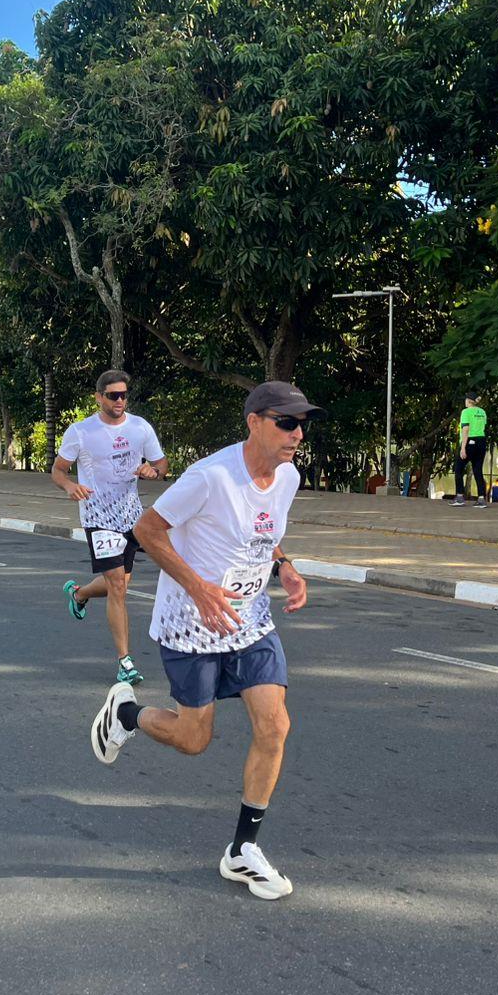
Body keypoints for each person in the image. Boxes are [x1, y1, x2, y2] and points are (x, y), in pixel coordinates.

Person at [90, 380, 321, 901]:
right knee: (194, 740)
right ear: (255, 422)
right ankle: (126, 714)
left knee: (275, 724)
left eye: (301, 423)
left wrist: (286, 567)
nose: (297, 433)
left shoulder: (287, 476)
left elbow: (264, 533)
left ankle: (242, 850)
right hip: (189, 623)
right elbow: (147, 531)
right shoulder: (211, 476)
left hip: (251, 619)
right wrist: (197, 588)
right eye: (286, 422)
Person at [52, 369, 168, 685]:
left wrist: (152, 472)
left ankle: (78, 594)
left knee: (120, 584)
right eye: (113, 395)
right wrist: (69, 487)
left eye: (124, 395)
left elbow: (161, 463)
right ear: (99, 397)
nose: (120, 400)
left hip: (131, 516)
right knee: (117, 584)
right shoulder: (80, 432)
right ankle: (125, 662)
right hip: (97, 516)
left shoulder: (140, 427)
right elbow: (58, 470)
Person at [453, 393, 489, 507]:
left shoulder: (466, 412)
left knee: (458, 469)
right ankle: (481, 499)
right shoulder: (482, 412)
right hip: (481, 442)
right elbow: (483, 426)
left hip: (469, 442)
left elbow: (466, 429)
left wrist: (463, 448)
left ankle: (459, 497)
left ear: (468, 401)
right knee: (478, 470)